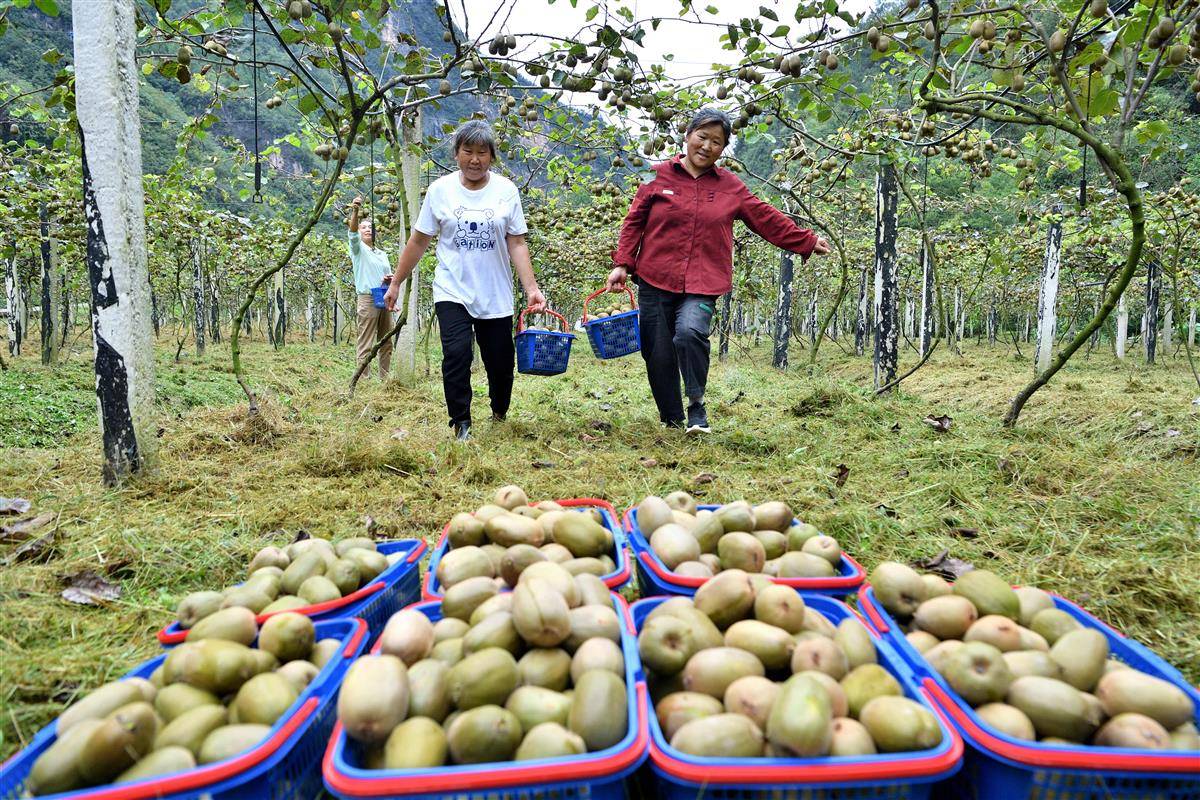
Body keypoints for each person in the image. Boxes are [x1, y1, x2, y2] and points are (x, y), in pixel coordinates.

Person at [608, 108, 831, 434]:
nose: (707, 146)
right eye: (702, 136)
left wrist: (806, 241)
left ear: (723, 149)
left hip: (703, 280)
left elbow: (764, 218)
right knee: (657, 352)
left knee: (690, 333)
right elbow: (634, 223)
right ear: (688, 135)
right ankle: (671, 421)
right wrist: (622, 264)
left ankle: (696, 404)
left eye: (717, 141)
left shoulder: (730, 187)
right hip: (656, 278)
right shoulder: (657, 176)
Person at [384, 119, 547, 441]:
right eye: (468, 151)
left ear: (492, 156)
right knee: (457, 354)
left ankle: (499, 410)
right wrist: (396, 282)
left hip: (495, 292)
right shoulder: (440, 190)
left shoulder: (505, 191)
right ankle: (461, 423)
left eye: (482, 153)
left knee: (499, 362)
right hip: (452, 288)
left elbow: (517, 242)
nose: (475, 159)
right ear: (456, 154)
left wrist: (531, 288)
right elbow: (419, 240)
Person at [347, 196, 394, 381]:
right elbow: (352, 234)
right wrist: (356, 211)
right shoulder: (358, 249)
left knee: (386, 341)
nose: (368, 229)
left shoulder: (382, 254)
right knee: (366, 341)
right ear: (359, 232)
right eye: (364, 227)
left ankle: (385, 379)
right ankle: (363, 380)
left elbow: (389, 279)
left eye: (370, 227)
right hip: (367, 298)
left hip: (382, 295)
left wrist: (387, 280)